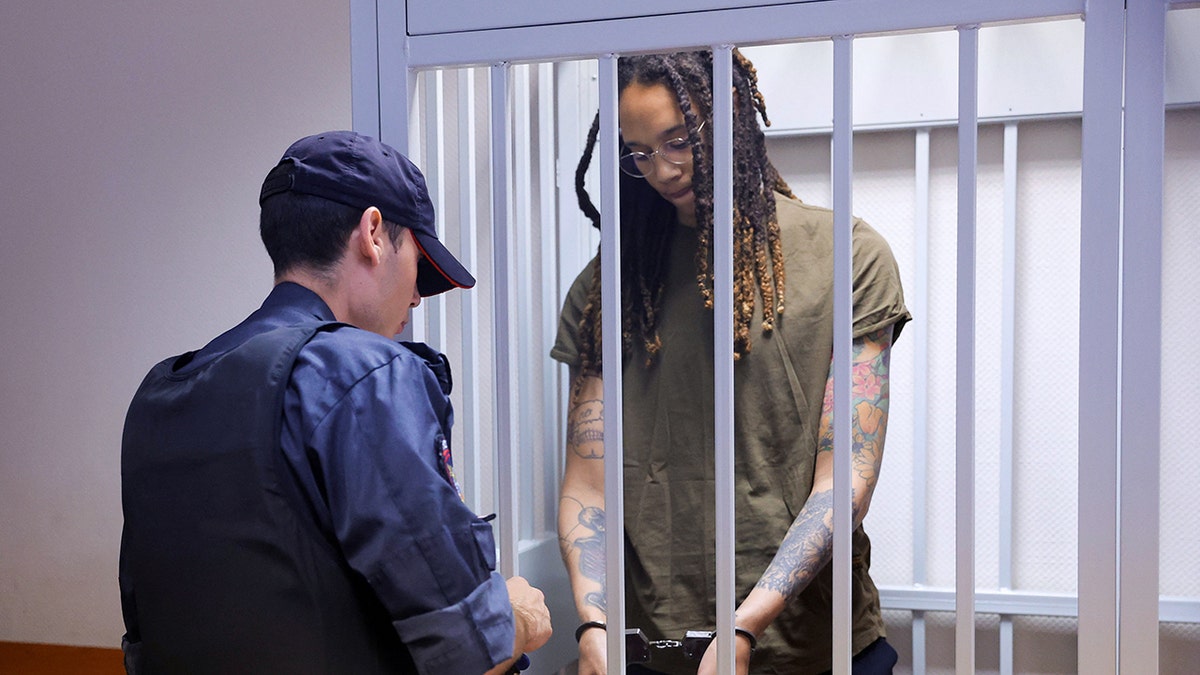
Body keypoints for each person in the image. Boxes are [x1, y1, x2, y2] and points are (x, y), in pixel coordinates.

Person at [119, 130, 551, 674]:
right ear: (373, 233)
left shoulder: (163, 394)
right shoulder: (366, 374)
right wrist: (519, 613)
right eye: (420, 263)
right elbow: (468, 651)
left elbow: (143, 640)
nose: (418, 296)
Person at [552, 50, 910, 675]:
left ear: (732, 117)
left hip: (816, 647)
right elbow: (588, 487)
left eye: (680, 140)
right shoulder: (606, 291)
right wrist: (593, 626)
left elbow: (845, 481)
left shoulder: (848, 256)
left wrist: (743, 628)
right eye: (637, 152)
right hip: (655, 649)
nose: (661, 169)